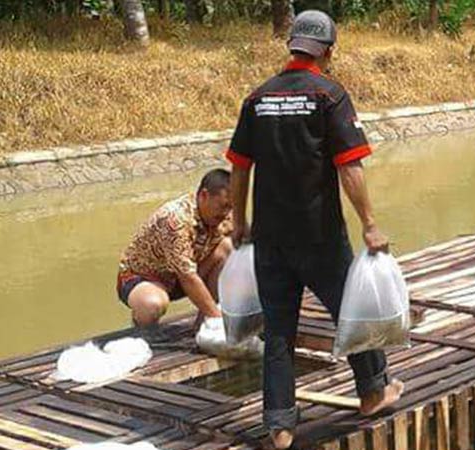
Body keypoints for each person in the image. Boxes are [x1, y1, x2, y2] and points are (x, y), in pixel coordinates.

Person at [225, 10, 402, 449]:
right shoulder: (329, 95)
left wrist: (239, 221)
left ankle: (281, 427)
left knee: (279, 331)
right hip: (319, 235)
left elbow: (239, 167)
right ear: (327, 49)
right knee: (352, 312)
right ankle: (373, 392)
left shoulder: (258, 97)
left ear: (292, 45)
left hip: (269, 237)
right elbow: (350, 168)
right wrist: (370, 225)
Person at [117, 169, 233, 328]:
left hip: (180, 277)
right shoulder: (175, 220)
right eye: (223, 206)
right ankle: (142, 330)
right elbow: (188, 277)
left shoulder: (225, 216)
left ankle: (202, 325)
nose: (226, 213)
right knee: (153, 305)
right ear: (204, 196)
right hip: (144, 277)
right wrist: (218, 319)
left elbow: (248, 243)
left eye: (230, 207)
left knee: (228, 247)